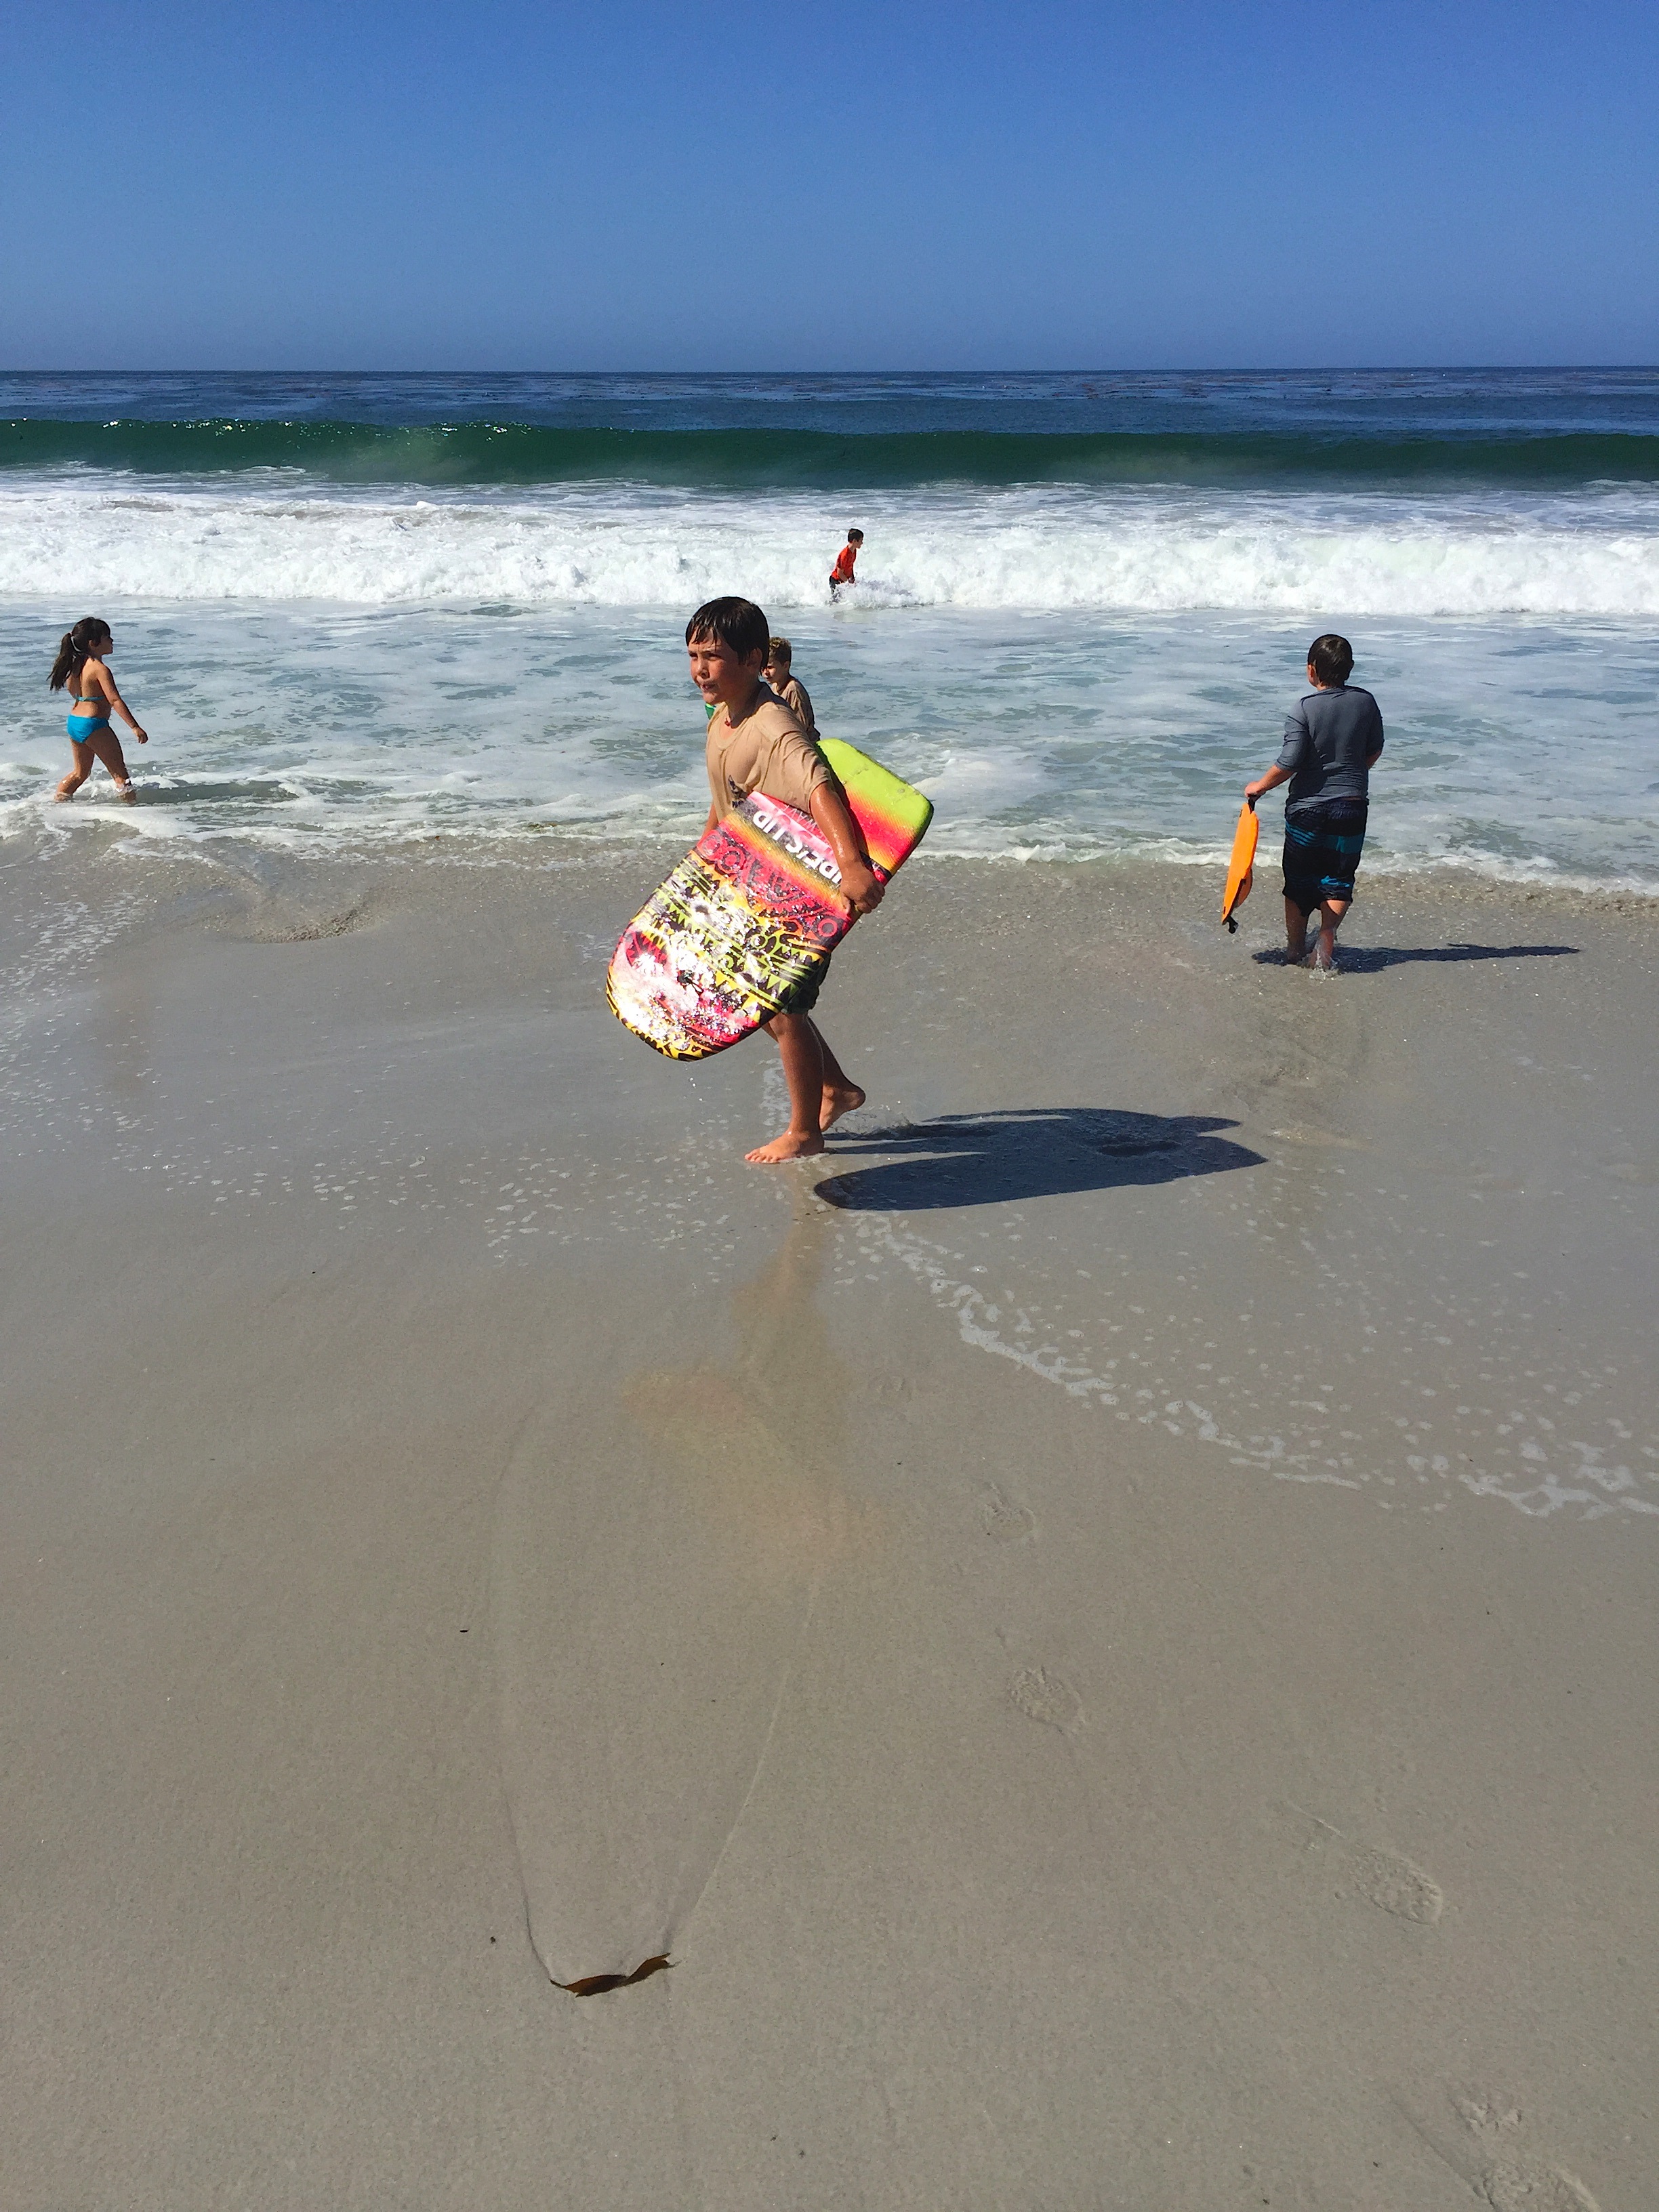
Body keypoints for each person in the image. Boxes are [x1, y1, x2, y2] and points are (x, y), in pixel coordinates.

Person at [689, 596, 882, 1164]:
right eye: (694, 655)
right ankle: (836, 1090)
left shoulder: (773, 726)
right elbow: (728, 796)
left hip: (801, 886)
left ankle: (804, 1131)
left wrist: (851, 865)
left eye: (713, 657)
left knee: (783, 1009)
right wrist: (707, 853)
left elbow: (821, 787)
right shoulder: (725, 717)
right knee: (763, 1002)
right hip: (753, 877)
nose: (700, 669)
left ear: (753, 660)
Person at [1245, 633, 1383, 970]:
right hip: (1352, 807)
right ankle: (1326, 937)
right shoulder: (1366, 702)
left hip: (1307, 810)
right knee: (1339, 878)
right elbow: (1374, 749)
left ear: (1312, 670)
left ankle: (1295, 951)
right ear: (1349, 668)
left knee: (1299, 883)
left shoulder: (1304, 708)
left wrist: (1259, 788)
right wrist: (1351, 775)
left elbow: (1289, 762)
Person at [49, 617, 147, 802]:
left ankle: (58, 803)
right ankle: (133, 810)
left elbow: (73, 691)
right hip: (93, 725)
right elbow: (115, 700)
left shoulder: (76, 666)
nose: (112, 640)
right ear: (93, 643)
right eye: (107, 637)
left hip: (75, 722)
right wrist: (135, 727)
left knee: (80, 773)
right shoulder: (100, 669)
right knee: (121, 776)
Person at [763, 636, 817, 735]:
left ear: (786, 666)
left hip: (805, 741)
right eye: (763, 667)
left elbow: (801, 727)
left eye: (770, 667)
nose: (765, 672)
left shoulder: (793, 689)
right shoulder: (775, 686)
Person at [828, 527, 863, 598]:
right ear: (854, 541)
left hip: (843, 581)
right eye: (861, 541)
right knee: (835, 602)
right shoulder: (845, 554)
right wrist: (848, 584)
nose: (862, 543)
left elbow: (851, 566)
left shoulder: (854, 551)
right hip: (836, 580)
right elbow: (839, 573)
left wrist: (852, 580)